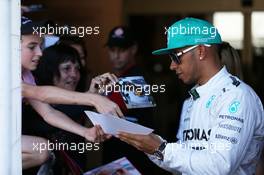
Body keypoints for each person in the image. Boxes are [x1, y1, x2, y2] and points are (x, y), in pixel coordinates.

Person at [117, 17, 264, 175]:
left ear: (200, 51)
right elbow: (184, 162)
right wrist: (151, 146)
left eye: (176, 56)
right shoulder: (191, 100)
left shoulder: (236, 96)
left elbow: (220, 165)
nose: (172, 66)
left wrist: (160, 148)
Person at [21, 17, 120, 169]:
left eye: (40, 46)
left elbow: (49, 113)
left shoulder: (26, 75)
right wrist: (93, 99)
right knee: (41, 148)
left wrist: (85, 132)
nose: (40, 53)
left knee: (41, 150)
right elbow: (40, 93)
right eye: (32, 46)